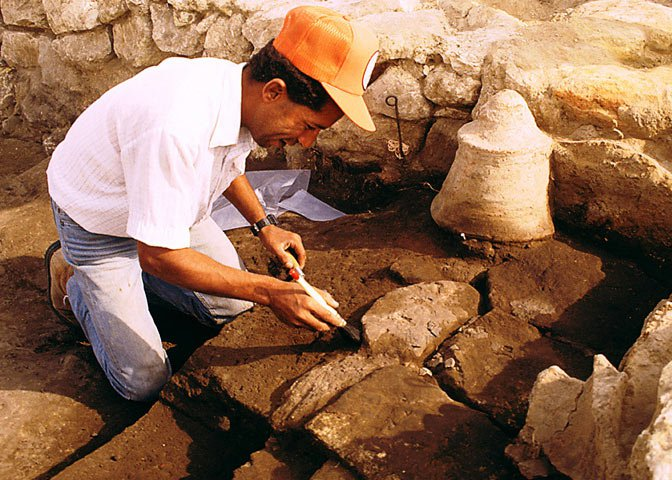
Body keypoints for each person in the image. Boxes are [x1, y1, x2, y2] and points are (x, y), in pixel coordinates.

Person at [44, 5, 379, 401]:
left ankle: (128, 286)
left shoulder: (238, 90)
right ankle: (73, 278)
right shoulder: (176, 125)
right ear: (274, 90)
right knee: (143, 382)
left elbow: (224, 161)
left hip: (166, 206)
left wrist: (263, 225)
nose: (307, 142)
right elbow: (159, 255)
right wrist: (271, 292)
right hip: (97, 221)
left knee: (232, 310)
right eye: (308, 126)